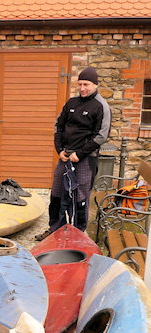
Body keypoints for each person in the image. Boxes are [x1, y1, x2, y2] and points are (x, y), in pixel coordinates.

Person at [35, 67, 112, 240]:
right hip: (65, 157)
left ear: (95, 84)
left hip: (84, 159)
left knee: (80, 198)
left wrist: (80, 154)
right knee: (56, 194)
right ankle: (55, 230)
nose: (82, 88)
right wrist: (60, 150)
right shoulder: (71, 103)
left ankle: (78, 235)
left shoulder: (101, 106)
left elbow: (101, 136)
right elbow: (59, 126)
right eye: (80, 84)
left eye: (86, 84)